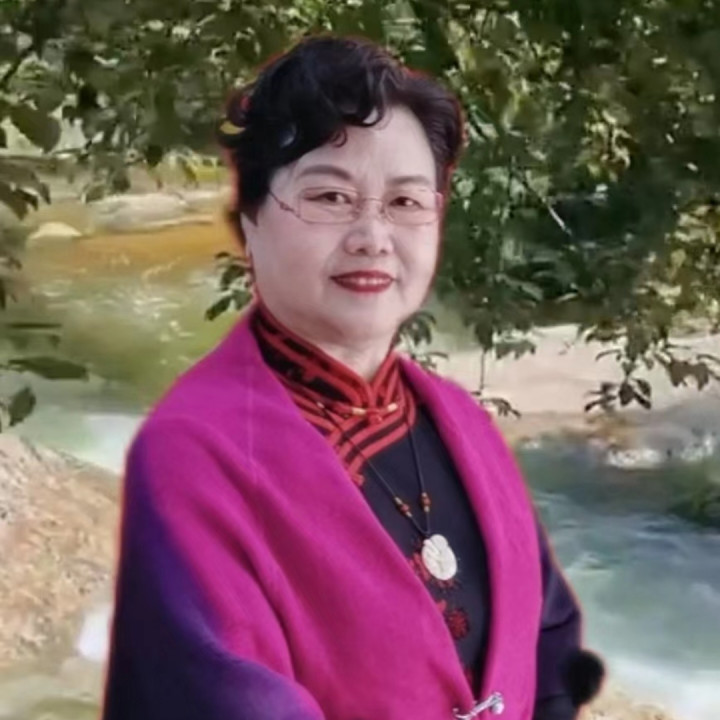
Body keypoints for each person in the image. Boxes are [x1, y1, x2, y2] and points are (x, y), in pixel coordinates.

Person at [102, 35, 604, 720]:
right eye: (331, 196)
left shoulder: (461, 421)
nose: (373, 236)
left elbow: (548, 639)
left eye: (405, 203)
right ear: (250, 222)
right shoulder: (192, 455)